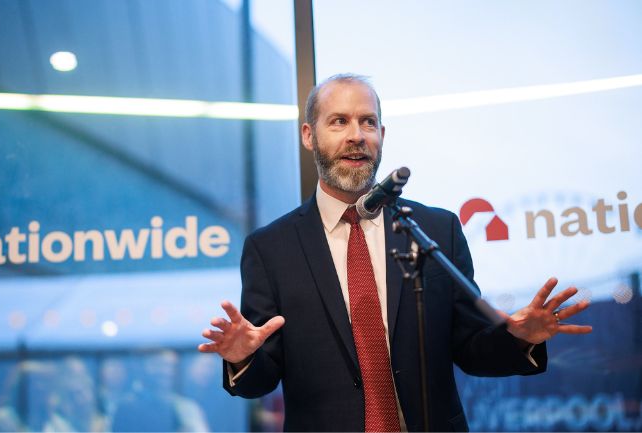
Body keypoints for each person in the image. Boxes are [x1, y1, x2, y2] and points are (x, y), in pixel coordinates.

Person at [198, 74, 592, 432]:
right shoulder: (271, 249)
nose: (357, 135)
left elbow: (471, 349)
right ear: (308, 135)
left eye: (368, 122)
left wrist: (518, 338)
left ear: (382, 134)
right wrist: (242, 358)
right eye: (339, 121)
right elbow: (260, 378)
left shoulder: (437, 230)